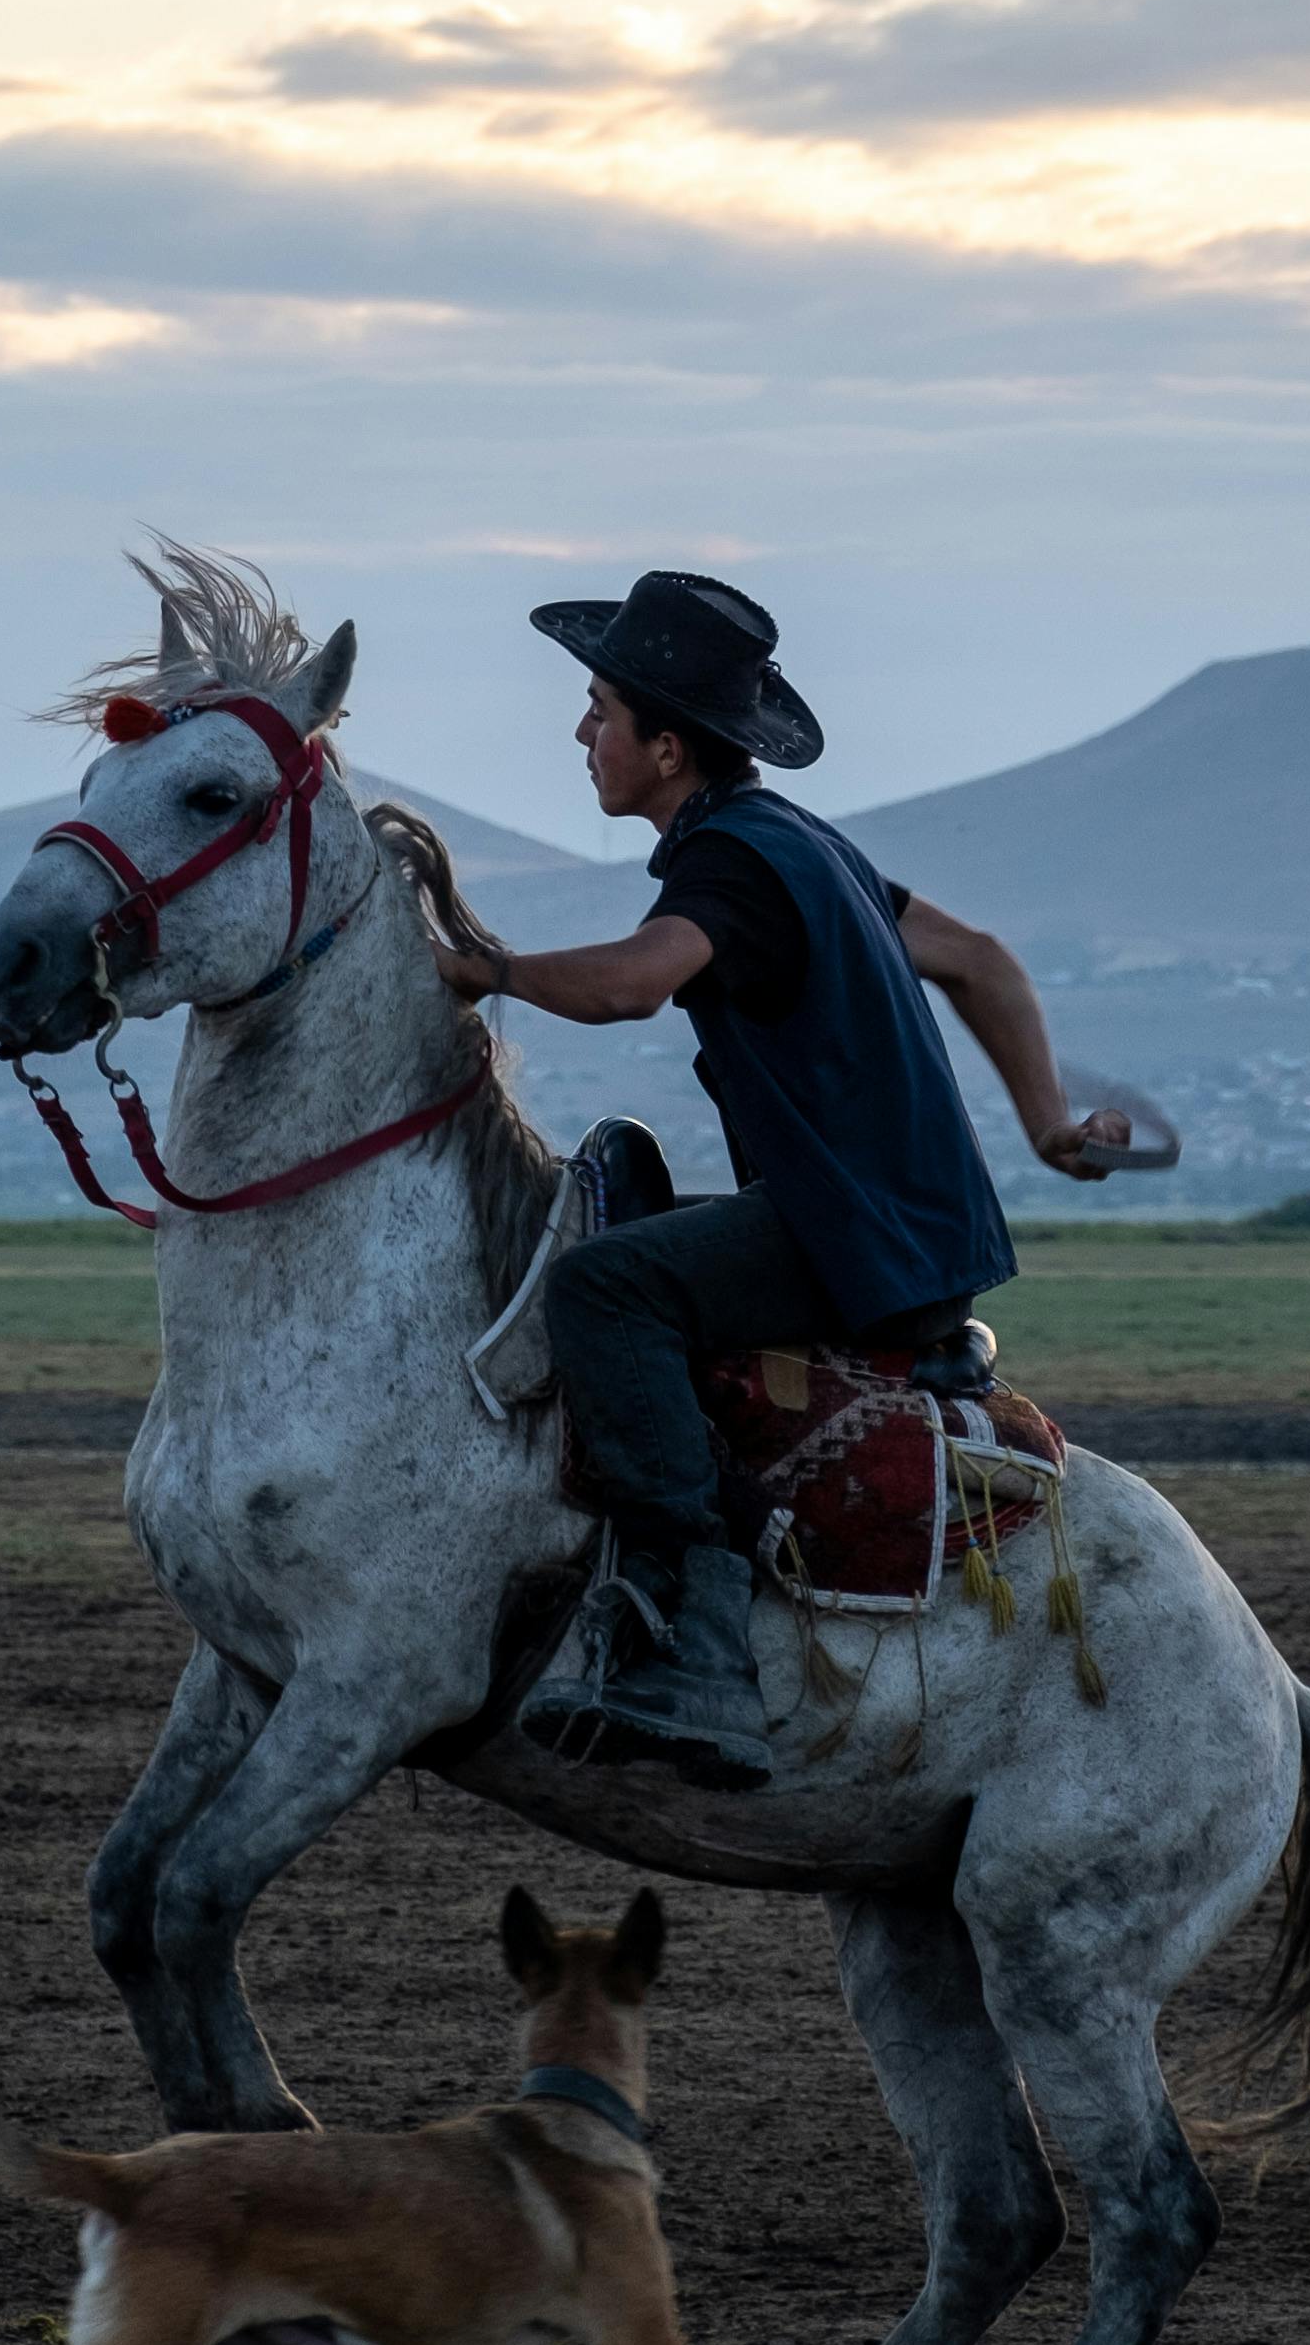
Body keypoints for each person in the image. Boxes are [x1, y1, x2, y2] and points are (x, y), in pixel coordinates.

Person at [429, 570, 1126, 1789]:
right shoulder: (802, 843)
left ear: (667, 744)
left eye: (600, 710)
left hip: (853, 1239)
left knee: (605, 1288)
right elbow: (980, 957)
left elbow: (634, 983)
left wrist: (482, 969)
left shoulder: (740, 867)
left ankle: (693, 1635)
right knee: (625, 1206)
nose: (581, 733)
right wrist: (1050, 1124)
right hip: (901, 1227)